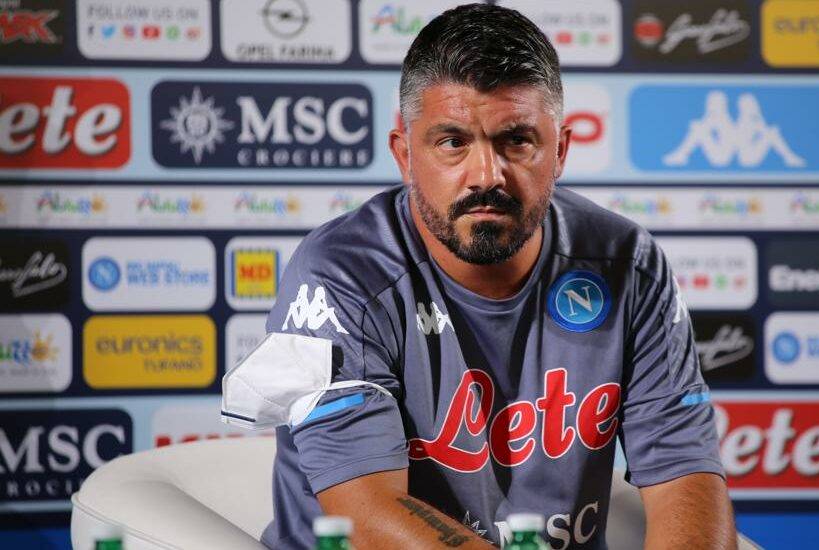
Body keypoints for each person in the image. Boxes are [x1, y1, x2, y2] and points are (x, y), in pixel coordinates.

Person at [248, 4, 735, 548]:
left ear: (560, 152)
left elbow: (685, 475)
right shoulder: (342, 274)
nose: (486, 175)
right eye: (452, 142)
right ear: (405, 156)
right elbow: (367, 515)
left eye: (517, 140)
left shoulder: (627, 264)